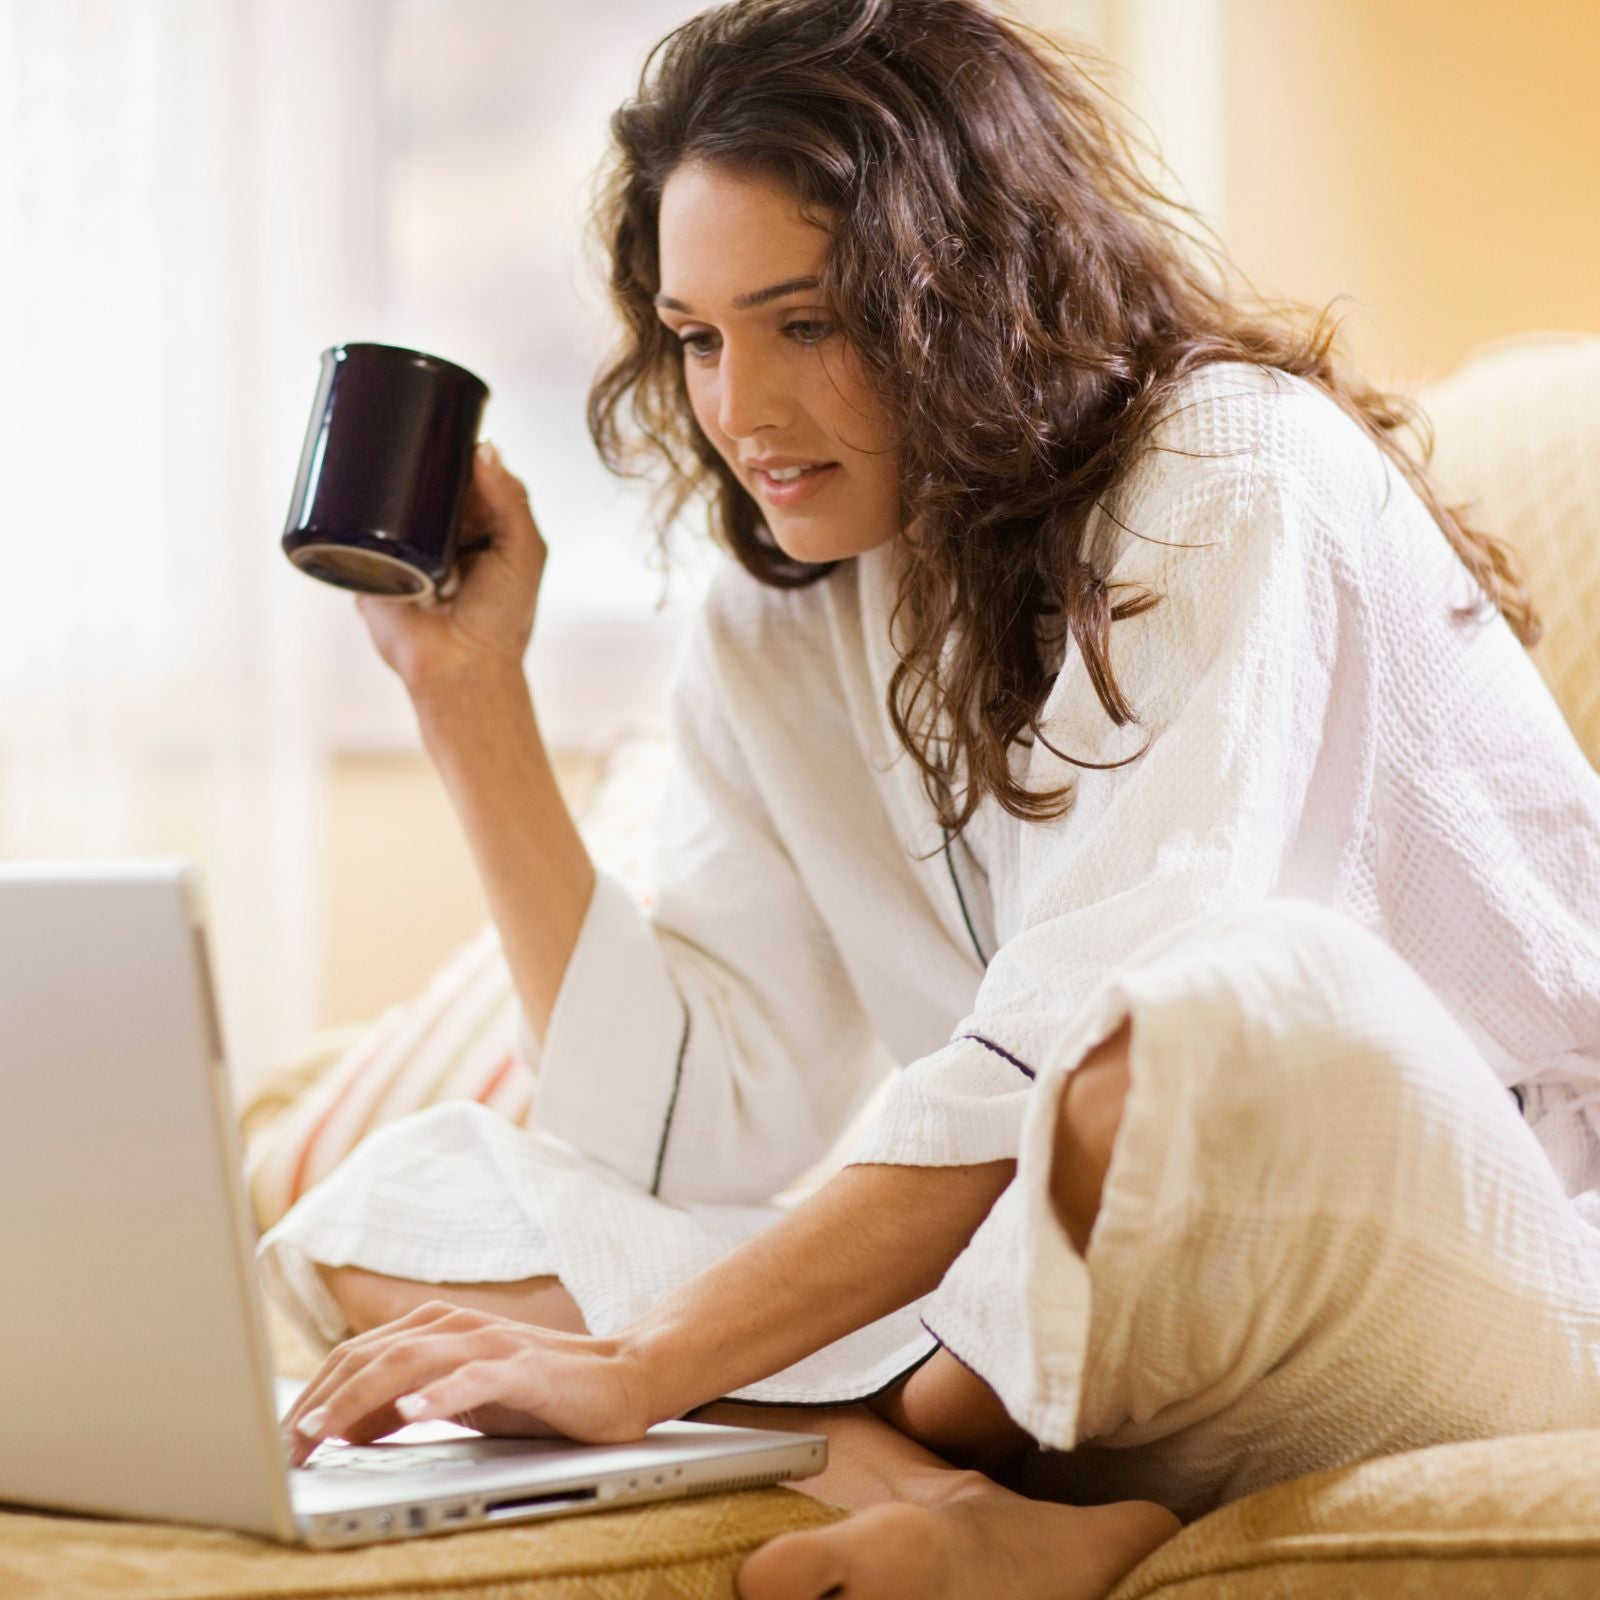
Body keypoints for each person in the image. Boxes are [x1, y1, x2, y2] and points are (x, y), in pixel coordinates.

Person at [264, 1, 1600, 1595]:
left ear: (960, 290)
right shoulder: (780, 613)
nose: (741, 411)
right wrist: (466, 696)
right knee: (396, 1203)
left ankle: (910, 1399)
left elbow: (1071, 1039)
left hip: (1409, 1238)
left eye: (806, 322)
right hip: (1046, 1288)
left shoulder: (1234, 466)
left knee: (1188, 1033)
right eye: (697, 337)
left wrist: (647, 1366)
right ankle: (952, 1485)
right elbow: (686, 1127)